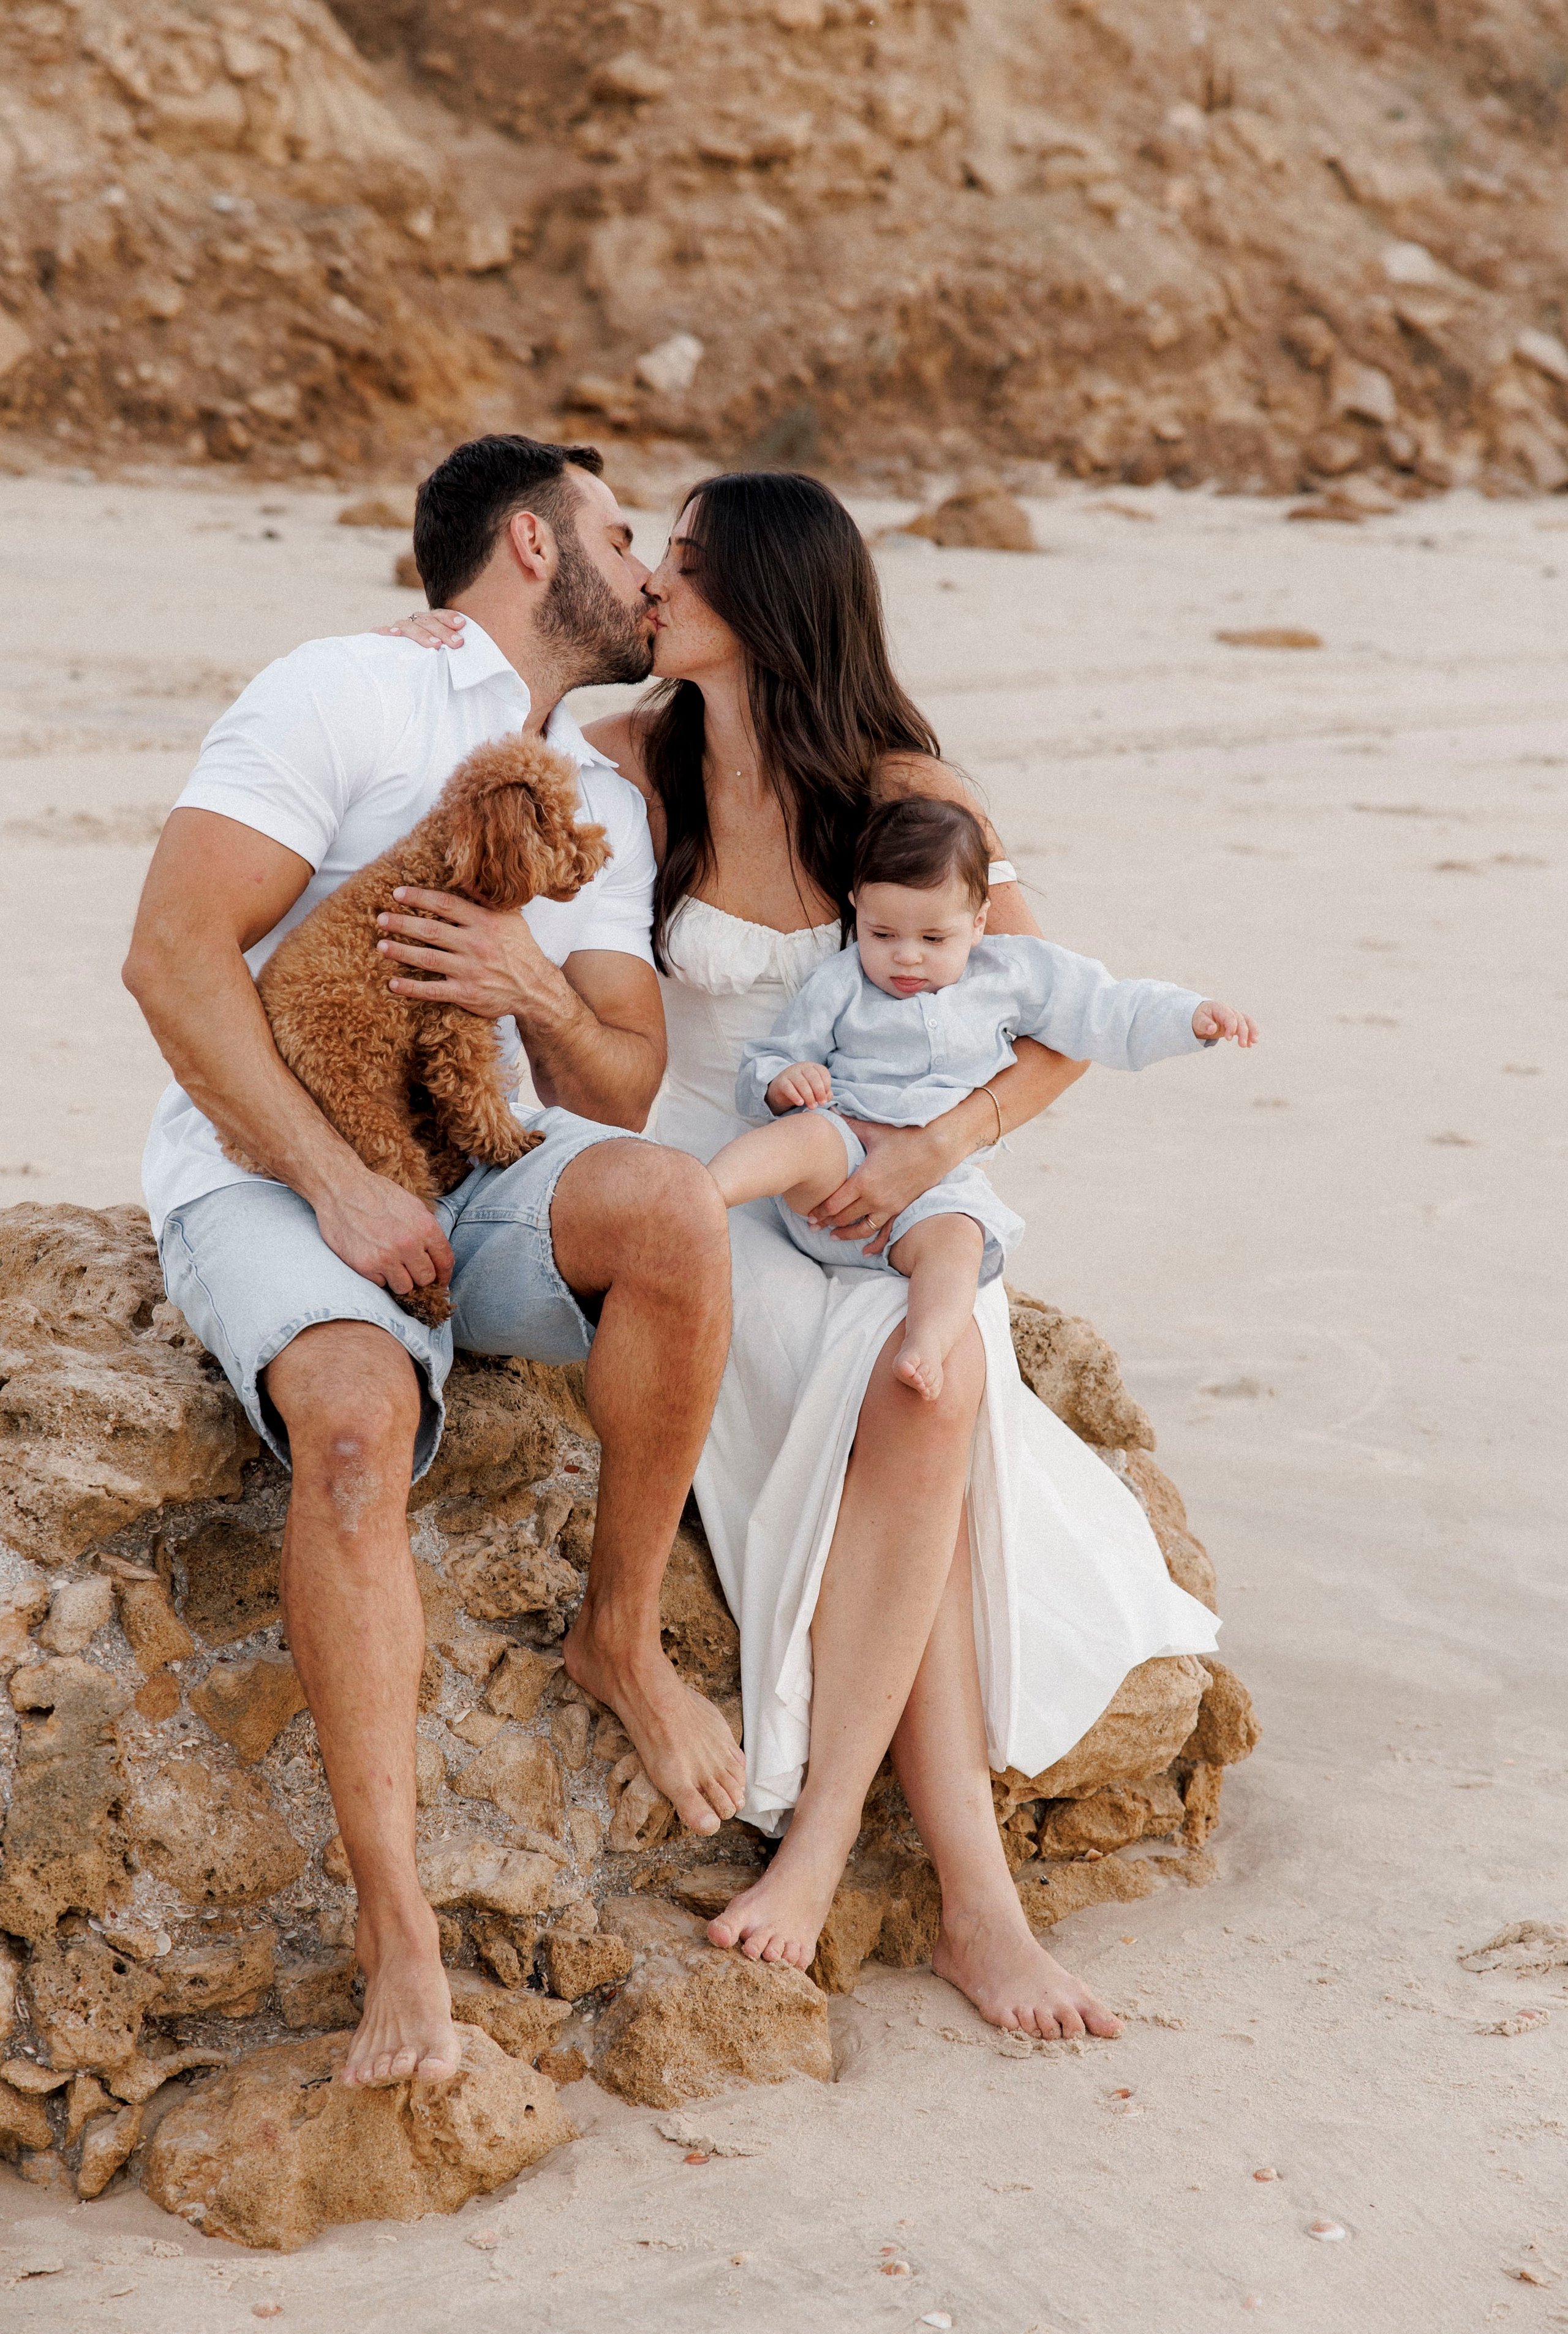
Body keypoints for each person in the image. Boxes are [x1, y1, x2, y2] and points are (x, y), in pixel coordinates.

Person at [382, 469, 1222, 2041]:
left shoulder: (902, 785)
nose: (654, 589)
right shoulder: (624, 757)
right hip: (705, 1188)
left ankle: (853, 1853)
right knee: (883, 1371)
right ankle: (955, 1896)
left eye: (684, 566)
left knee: (936, 1364)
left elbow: (1058, 1013)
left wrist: (929, 1150)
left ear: (765, 597)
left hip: (878, 1177)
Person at [123, 435, 748, 2092]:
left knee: (675, 1209)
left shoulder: (597, 788)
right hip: (275, 1162)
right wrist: (331, 1183)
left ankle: (620, 1634)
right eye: (626, 535)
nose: (654, 571)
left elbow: (617, 1080)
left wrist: (523, 982)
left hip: (482, 1159)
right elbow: (170, 956)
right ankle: (399, 1933)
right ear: (536, 550)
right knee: (346, 1430)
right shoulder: (342, 691)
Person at [711, 794, 1257, 1402]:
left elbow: (1106, 1007)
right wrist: (783, 1083)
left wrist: (1190, 1017)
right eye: (882, 932)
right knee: (804, 1136)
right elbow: (772, 1055)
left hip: (932, 1197)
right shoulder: (839, 982)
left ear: (977, 922)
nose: (906, 955)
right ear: (856, 909)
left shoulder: (1011, 973)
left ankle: (927, 1343)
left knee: (962, 1241)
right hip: (833, 1178)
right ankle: (703, 1197)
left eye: (933, 936)